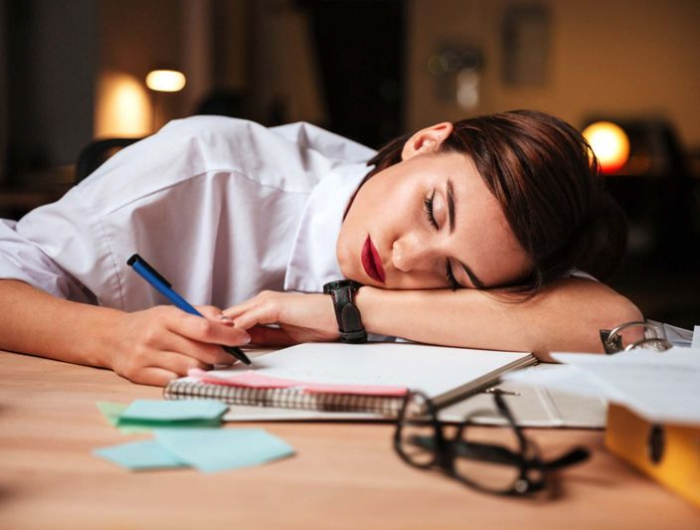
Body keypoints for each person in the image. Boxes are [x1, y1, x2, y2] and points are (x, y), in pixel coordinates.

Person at [0, 111, 642, 386]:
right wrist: (107, 338)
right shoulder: (205, 164)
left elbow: (612, 323)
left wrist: (345, 310)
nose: (407, 257)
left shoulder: (493, 244)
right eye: (430, 209)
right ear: (425, 141)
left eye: (452, 271)